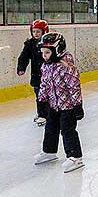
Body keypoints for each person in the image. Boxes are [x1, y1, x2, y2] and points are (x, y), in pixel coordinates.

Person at [34, 33, 85, 173]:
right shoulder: (46, 66)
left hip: (67, 106)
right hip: (53, 105)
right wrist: (42, 101)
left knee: (67, 130)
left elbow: (74, 86)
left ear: (58, 50)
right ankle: (49, 151)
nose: (44, 55)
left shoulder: (66, 66)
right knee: (50, 128)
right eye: (43, 52)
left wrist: (77, 106)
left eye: (47, 52)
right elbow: (44, 84)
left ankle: (75, 156)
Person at [17, 19, 49, 126]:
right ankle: (41, 114)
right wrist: (21, 68)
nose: (35, 34)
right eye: (34, 31)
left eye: (38, 32)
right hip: (36, 75)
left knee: (48, 95)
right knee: (39, 95)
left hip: (48, 75)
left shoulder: (49, 43)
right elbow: (24, 57)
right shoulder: (30, 44)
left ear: (44, 32)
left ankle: (48, 113)